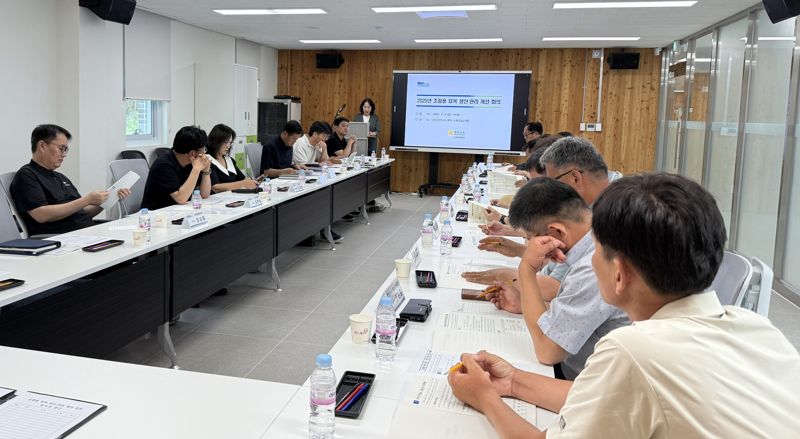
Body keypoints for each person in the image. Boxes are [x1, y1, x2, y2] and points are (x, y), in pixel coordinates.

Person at [448, 173, 800, 438]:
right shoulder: (757, 328)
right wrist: (512, 382)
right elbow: (601, 398)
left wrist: (485, 399)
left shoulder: (634, 348)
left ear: (619, 274)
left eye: (597, 249)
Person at [487, 178, 629, 379]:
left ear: (557, 231)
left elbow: (547, 352)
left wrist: (526, 269)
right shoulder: (600, 232)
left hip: (577, 381)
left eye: (531, 238)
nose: (529, 245)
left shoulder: (593, 266)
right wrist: (527, 304)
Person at [10, 124, 130, 236]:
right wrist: (86, 200)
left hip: (86, 232)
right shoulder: (27, 176)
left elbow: (82, 212)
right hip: (62, 239)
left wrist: (108, 200)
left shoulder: (60, 178)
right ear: (42, 145)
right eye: (61, 148)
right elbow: (41, 214)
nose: (64, 154)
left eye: (66, 150)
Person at [141, 125, 212, 210]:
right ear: (192, 153)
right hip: (156, 216)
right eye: (203, 150)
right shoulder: (163, 165)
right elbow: (181, 198)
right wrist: (196, 170)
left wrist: (206, 171)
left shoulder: (192, 163)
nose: (204, 153)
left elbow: (204, 194)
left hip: (180, 211)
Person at [206, 124, 258, 193]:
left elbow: (243, 178)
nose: (228, 146)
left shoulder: (229, 159)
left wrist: (252, 181)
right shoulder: (207, 160)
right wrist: (242, 184)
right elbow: (215, 187)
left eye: (230, 143)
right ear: (216, 141)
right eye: (226, 142)